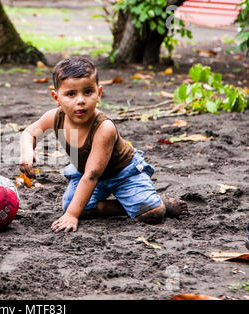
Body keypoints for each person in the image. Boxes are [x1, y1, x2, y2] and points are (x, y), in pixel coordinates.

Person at [19, 56, 188, 232]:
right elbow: (29, 132)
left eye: (87, 92)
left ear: (98, 93)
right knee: (71, 205)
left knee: (152, 213)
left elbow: (92, 176)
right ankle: (124, 206)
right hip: (84, 173)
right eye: (71, 94)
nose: (80, 100)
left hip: (123, 173)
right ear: (56, 97)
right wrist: (27, 152)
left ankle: (159, 202)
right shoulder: (55, 117)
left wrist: (72, 215)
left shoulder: (104, 128)